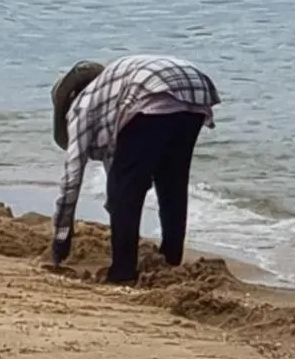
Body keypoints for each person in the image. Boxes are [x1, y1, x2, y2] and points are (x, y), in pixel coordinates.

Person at [50, 55, 220, 283]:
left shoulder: (82, 106)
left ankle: (122, 272)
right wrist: (118, 201)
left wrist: (61, 236)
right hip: (195, 88)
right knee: (172, 181)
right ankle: (171, 259)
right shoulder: (113, 94)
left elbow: (73, 176)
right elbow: (118, 165)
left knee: (126, 188)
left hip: (152, 90)